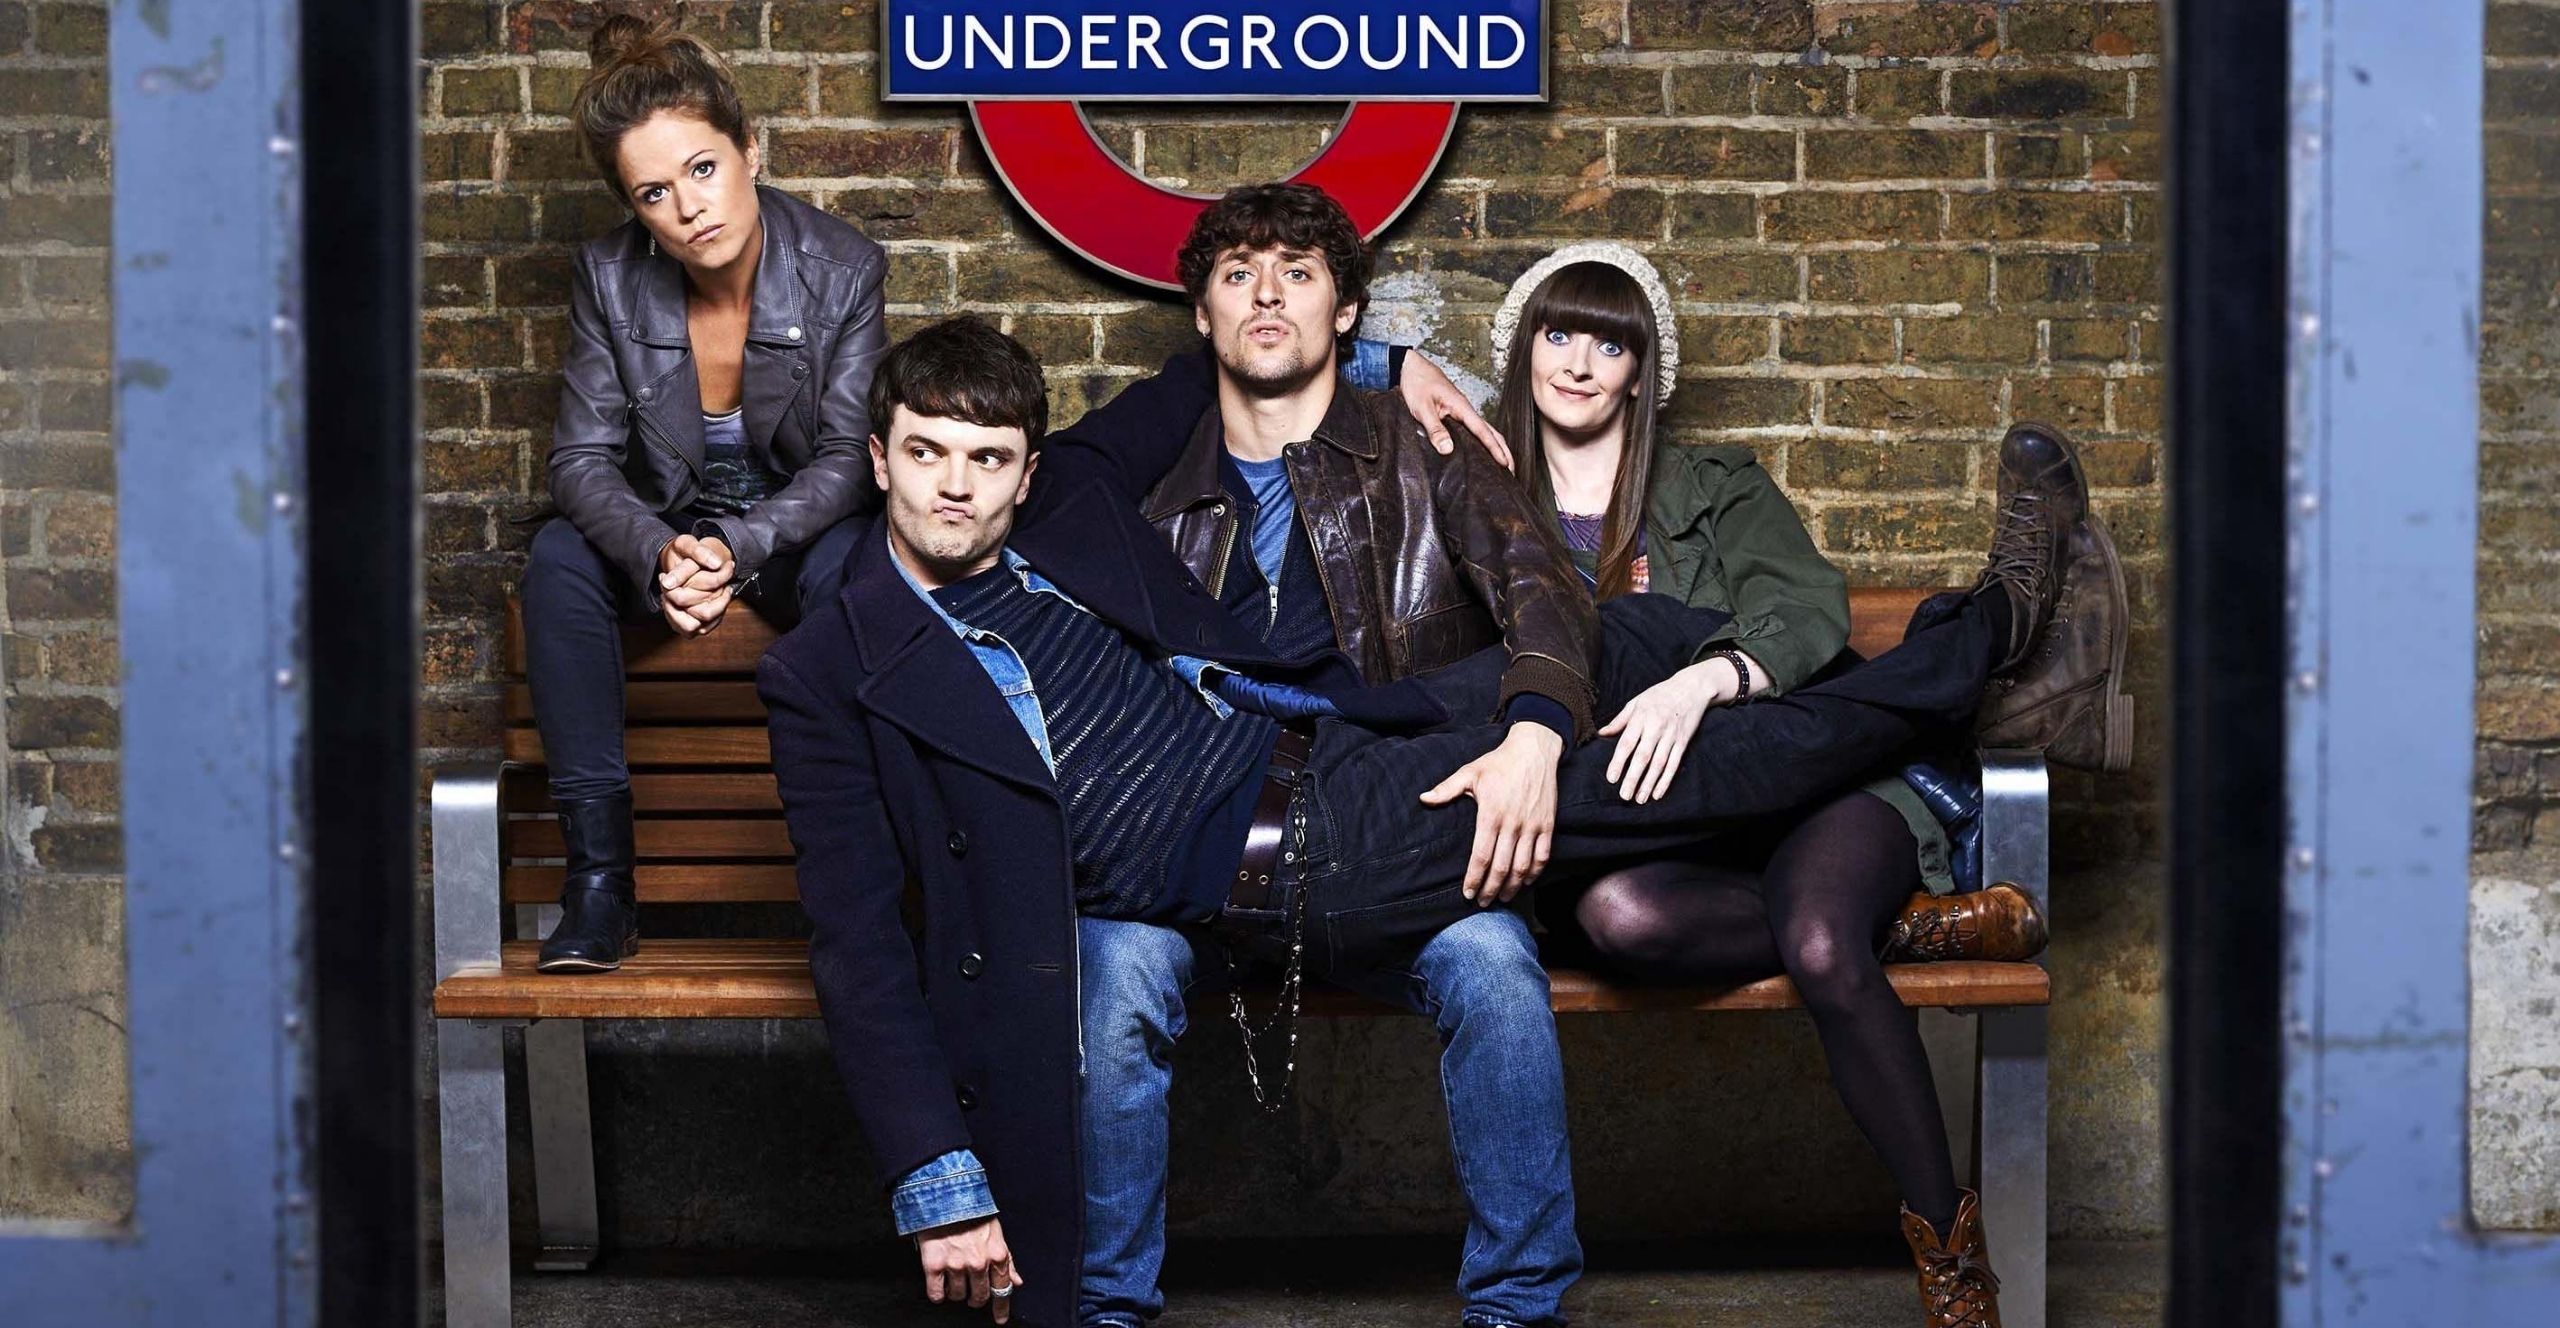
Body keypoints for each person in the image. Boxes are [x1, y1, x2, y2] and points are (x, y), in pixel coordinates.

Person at [759, 315, 2091, 1328]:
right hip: (1301, 871)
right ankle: (1981, 653)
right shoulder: (832, 669)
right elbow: (858, 949)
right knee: (1659, 776)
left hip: (1332, 750)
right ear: (877, 459)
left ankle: (1935, 678)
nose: (954, 488)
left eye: (985, 460)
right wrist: (941, 1186)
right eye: (924, 455)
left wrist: (1397, 361)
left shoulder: (1060, 507)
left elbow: (1204, 368)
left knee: (1619, 634)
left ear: (1023, 468)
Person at [1402, 241, 2128, 1327]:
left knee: (1825, 940)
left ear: (1644, 372)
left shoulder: (1713, 485)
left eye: (1612, 342)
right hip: (1652, 828)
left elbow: (1804, 610)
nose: (1581, 363)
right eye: (1559, 334)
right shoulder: (1475, 505)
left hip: (1808, 782)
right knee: (1621, 916)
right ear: (1522, 352)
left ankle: (1954, 1267)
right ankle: (1925, 895)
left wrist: (1706, 679)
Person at [1099, 183, 1601, 1328]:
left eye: (1297, 271)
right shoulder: (1136, 484)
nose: (1266, 292)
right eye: (1236, 273)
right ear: (1199, 316)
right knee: (1111, 975)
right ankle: (1101, 1308)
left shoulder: (1425, 451)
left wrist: (1533, 732)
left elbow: (1549, 599)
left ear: (1347, 312)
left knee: (1493, 968)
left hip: (1395, 828)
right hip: (1196, 848)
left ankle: (1518, 1311)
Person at [520, 13, 887, 973]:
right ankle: (600, 885)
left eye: (702, 170)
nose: (689, 208)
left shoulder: (842, 268)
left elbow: (849, 459)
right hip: (671, 541)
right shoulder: (607, 277)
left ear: (749, 150)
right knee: (559, 552)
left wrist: (740, 547)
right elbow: (581, 461)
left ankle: (851, 879)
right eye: (653, 192)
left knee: (864, 561)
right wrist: (661, 552)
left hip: (793, 539)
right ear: (633, 210)